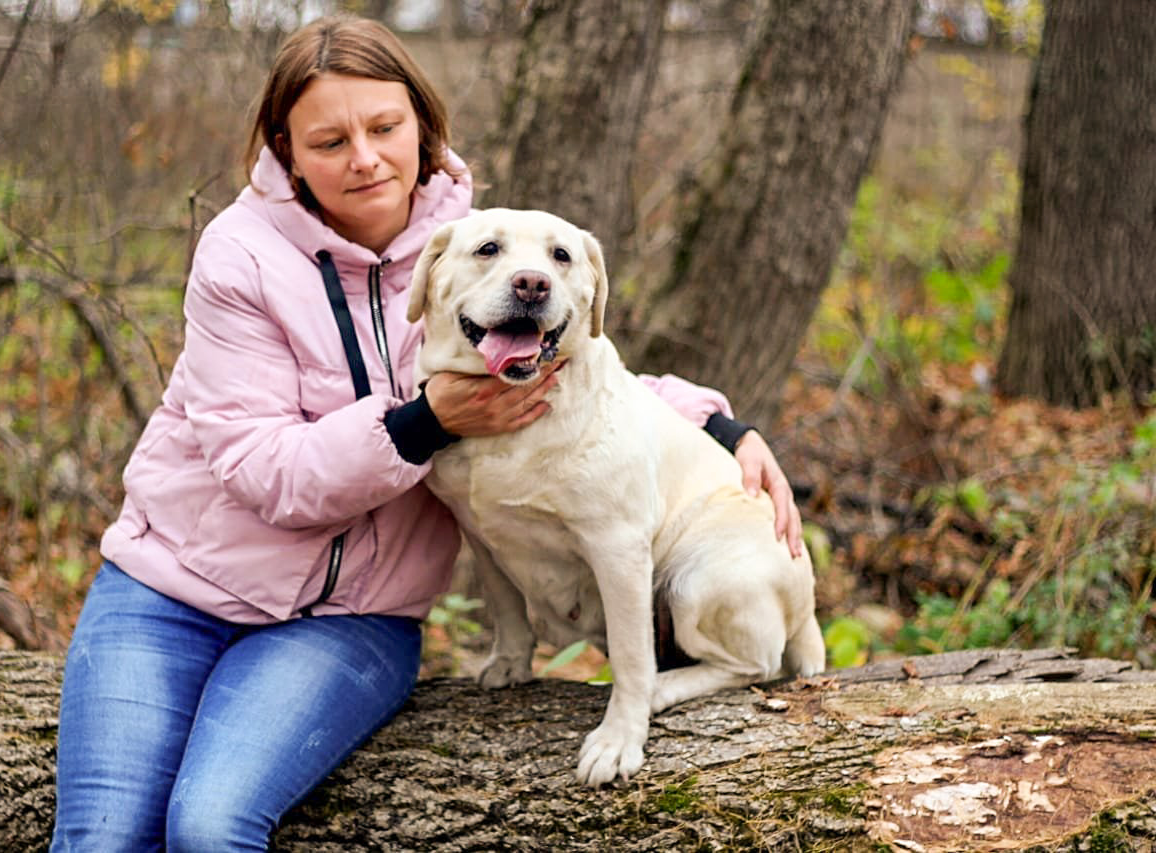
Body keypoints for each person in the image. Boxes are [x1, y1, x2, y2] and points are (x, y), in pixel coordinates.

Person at [50, 14, 803, 851]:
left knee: (208, 825)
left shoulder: (480, 247)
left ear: (422, 126)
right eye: (330, 140)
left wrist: (723, 425)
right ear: (286, 150)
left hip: (352, 614)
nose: (365, 158)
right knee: (103, 836)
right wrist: (426, 422)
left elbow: (586, 381)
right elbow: (264, 468)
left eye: (384, 127)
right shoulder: (241, 257)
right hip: (170, 588)